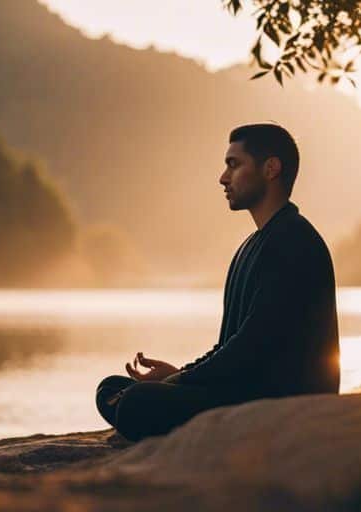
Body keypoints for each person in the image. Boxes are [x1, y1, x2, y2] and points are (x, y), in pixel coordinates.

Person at [95, 123, 340, 441]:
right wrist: (178, 374)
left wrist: (180, 381)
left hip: (281, 406)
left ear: (270, 169)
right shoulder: (252, 245)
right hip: (242, 393)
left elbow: (252, 347)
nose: (223, 178)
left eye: (234, 165)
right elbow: (229, 345)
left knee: (136, 402)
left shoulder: (294, 241)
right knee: (111, 389)